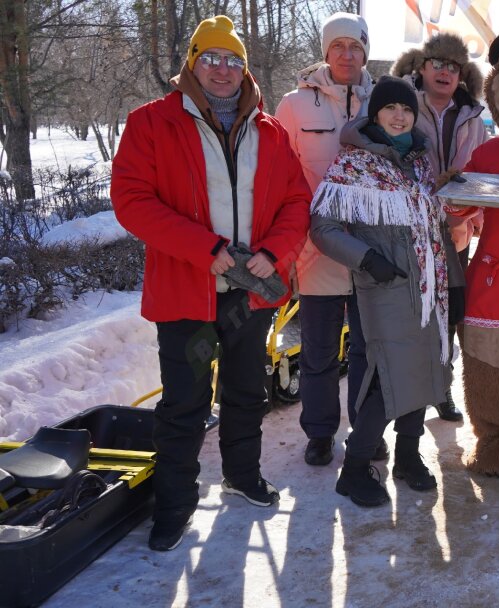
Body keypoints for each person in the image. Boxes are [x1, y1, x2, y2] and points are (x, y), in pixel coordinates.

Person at [112, 15, 311, 551]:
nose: (222, 70)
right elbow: (132, 202)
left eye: (233, 60)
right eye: (211, 58)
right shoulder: (152, 123)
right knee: (186, 401)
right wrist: (209, 251)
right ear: (192, 63)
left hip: (249, 297)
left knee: (247, 391)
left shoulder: (268, 132)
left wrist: (274, 253)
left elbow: (297, 201)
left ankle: (242, 476)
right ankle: (174, 503)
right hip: (188, 298)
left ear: (244, 69)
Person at [309, 76, 465, 507]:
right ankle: (356, 468)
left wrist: (456, 282)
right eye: (391, 108)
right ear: (374, 114)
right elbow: (322, 229)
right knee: (384, 379)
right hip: (385, 287)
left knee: (426, 371)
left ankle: (408, 458)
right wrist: (367, 259)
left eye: (407, 110)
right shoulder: (352, 163)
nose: (400, 116)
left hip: (431, 290)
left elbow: (435, 229)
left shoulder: (418, 163)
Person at [275, 12, 377, 467]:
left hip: (374, 248)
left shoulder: (386, 100)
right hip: (318, 249)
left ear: (365, 52)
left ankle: (366, 431)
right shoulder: (295, 104)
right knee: (318, 350)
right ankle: (319, 433)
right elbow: (279, 174)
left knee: (368, 349)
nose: (347, 54)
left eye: (355, 46)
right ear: (325, 50)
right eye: (338, 45)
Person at [391, 32, 489, 422]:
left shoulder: (472, 115)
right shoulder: (403, 105)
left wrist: (475, 216)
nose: (445, 72)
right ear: (422, 66)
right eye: (438, 64)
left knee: (449, 315)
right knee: (415, 315)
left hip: (455, 232)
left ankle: (441, 390)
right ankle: (407, 397)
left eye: (454, 66)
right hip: (410, 232)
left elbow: (480, 171)